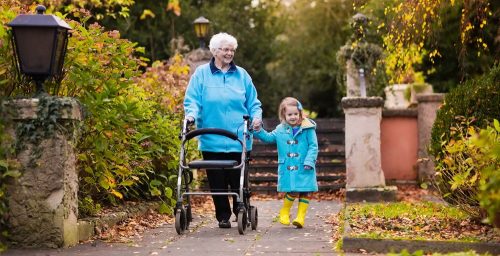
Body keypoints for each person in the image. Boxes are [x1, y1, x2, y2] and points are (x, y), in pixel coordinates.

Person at [183, 32, 262, 229]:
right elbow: (192, 99)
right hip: (211, 137)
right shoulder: (201, 74)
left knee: (237, 179)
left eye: (232, 50)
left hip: (238, 137)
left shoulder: (242, 75)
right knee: (216, 180)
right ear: (215, 51)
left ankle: (240, 210)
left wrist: (257, 117)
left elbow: (253, 103)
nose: (229, 53)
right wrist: (191, 115)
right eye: (226, 49)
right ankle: (223, 216)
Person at [253, 97, 318, 228]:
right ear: (284, 115)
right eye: (289, 114)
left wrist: (310, 161)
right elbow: (268, 137)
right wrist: (258, 130)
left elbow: (313, 146)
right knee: (293, 190)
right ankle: (285, 211)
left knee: (305, 191)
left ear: (300, 113)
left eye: (295, 114)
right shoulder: (280, 129)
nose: (293, 117)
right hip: (289, 166)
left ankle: (300, 217)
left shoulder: (308, 128)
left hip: (305, 165)